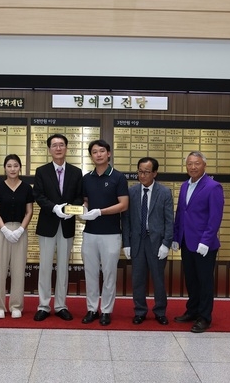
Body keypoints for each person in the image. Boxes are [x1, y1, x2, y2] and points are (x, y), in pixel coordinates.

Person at [33, 134, 83, 322]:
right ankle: (43, 305)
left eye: (61, 145)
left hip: (67, 224)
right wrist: (55, 208)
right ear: (49, 149)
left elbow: (80, 196)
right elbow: (38, 195)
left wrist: (71, 210)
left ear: (66, 148)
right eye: (54, 145)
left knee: (63, 267)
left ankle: (61, 305)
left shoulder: (76, 172)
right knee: (45, 266)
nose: (58, 148)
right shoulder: (42, 171)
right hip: (47, 224)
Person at [172, 151, 224, 333]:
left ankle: (204, 317)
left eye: (196, 164)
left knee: (204, 282)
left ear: (204, 166)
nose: (193, 167)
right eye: (189, 164)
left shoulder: (213, 186)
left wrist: (206, 241)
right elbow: (180, 213)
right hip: (187, 241)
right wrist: (176, 237)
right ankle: (192, 311)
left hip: (204, 245)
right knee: (191, 280)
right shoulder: (185, 185)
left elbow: (215, 217)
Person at [79, 139, 129, 326]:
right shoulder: (86, 178)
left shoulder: (118, 177)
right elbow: (85, 201)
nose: (98, 154)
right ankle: (92, 309)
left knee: (109, 274)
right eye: (94, 152)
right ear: (91, 156)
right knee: (90, 273)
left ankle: (106, 310)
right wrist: (84, 210)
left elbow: (124, 204)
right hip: (90, 233)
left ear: (108, 154)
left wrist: (100, 211)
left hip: (111, 234)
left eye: (102, 151)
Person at [121, 157, 173, 325]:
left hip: (156, 242)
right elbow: (126, 219)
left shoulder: (164, 192)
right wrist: (126, 243)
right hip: (137, 241)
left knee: (158, 279)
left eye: (146, 172)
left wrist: (166, 243)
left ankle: (160, 311)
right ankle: (140, 311)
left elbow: (169, 220)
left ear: (155, 173)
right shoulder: (132, 192)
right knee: (137, 279)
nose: (142, 175)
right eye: (140, 171)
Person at [0, 154, 34, 319]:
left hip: (20, 231)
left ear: (20, 168)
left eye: (15, 165)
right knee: (0, 269)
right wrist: (4, 229)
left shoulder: (27, 188)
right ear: (5, 168)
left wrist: (21, 229)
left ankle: (16, 305)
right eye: (9, 166)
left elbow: (29, 211)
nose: (12, 169)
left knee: (18, 270)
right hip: (2, 231)